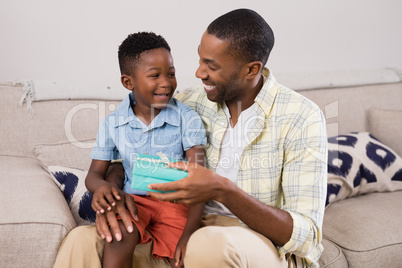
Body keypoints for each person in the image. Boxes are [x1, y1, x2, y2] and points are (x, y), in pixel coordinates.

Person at [54, 8, 327, 268]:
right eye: (200, 59)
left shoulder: (301, 117)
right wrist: (114, 198)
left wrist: (223, 191)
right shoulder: (188, 102)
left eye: (212, 65)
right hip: (182, 226)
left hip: (254, 240)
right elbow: (122, 161)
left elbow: (307, 235)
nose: (198, 73)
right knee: (82, 241)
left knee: (208, 245)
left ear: (251, 70)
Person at [82, 31, 206, 268]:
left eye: (171, 74)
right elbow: (93, 175)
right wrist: (104, 187)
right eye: (155, 75)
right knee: (118, 233)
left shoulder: (188, 119)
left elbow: (199, 179)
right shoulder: (112, 123)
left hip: (176, 204)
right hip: (134, 201)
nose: (166, 83)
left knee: (185, 256)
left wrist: (190, 232)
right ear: (128, 82)